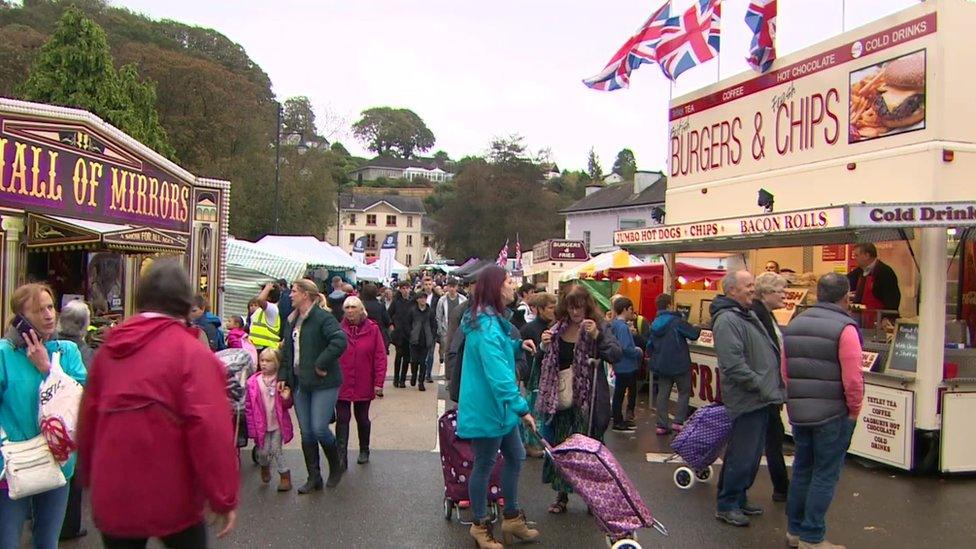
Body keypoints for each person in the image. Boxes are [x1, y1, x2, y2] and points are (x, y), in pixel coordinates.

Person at [77, 260, 237, 547]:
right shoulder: (191, 354)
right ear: (185, 303)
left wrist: (87, 474)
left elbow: (88, 417)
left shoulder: (108, 351)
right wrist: (222, 497)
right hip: (172, 491)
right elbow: (211, 428)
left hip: (113, 489)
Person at [457, 266, 540, 548]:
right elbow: (499, 375)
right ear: (495, 287)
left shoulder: (492, 321)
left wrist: (517, 346)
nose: (512, 284)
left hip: (498, 409)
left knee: (516, 456)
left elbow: (500, 352)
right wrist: (522, 408)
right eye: (507, 281)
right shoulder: (485, 326)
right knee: (484, 465)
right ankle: (479, 525)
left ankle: (512, 517)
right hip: (487, 408)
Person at [0, 284, 88, 549]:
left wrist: (48, 369)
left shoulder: (67, 352)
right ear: (21, 318)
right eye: (39, 310)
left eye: (51, 307)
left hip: (57, 460)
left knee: (47, 541)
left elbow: (80, 400)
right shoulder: (4, 354)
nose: (49, 315)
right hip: (13, 464)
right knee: (8, 541)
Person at [783, 273, 863, 549]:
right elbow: (853, 378)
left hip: (800, 411)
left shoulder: (794, 323)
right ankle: (812, 536)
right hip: (833, 412)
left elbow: (786, 371)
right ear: (846, 295)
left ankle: (794, 530)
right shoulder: (846, 328)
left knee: (803, 469)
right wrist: (854, 409)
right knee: (825, 473)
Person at [536, 284, 622, 514]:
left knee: (589, 451)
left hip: (588, 401)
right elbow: (544, 361)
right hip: (563, 400)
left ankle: (593, 498)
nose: (576, 313)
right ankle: (561, 495)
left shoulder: (599, 326)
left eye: (580, 307)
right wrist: (544, 346)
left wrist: (597, 336)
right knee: (564, 449)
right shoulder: (558, 328)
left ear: (588, 306)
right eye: (572, 307)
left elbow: (615, 354)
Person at [710, 270, 785, 527]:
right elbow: (733, 364)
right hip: (748, 398)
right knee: (742, 454)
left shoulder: (746, 314)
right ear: (732, 290)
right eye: (748, 286)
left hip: (760, 397)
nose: (753, 289)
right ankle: (728, 503)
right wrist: (761, 385)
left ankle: (738, 497)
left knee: (751, 454)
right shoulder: (728, 320)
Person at [277, 279, 349, 492]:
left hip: (323, 382)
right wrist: (284, 376)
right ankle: (313, 477)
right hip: (300, 383)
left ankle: (336, 466)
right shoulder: (292, 320)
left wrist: (321, 362)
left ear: (306, 295)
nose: (290, 295)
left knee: (319, 428)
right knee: (307, 432)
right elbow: (287, 351)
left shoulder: (322, 318)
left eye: (294, 291)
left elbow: (339, 341)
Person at [55, 300, 94, 542]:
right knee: (71, 478)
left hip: (49, 419)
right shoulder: (83, 352)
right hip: (72, 421)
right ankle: (69, 526)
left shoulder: (49, 343)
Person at [752, 272, 791, 502]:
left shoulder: (766, 314)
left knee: (768, 437)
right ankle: (781, 486)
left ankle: (782, 486)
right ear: (766, 293)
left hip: (769, 386)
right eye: (780, 291)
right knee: (769, 438)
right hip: (765, 388)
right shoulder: (759, 315)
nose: (784, 296)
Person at [337, 296, 387, 467]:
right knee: (342, 418)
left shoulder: (373, 329)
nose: (350, 310)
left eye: (353, 307)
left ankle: (364, 449)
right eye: (347, 307)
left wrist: (379, 382)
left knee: (362, 417)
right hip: (342, 382)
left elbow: (380, 356)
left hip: (364, 381)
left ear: (361, 309)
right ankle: (341, 455)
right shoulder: (338, 329)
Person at [648, 293, 701, 435]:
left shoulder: (653, 324)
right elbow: (693, 334)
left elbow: (649, 345)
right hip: (680, 363)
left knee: (662, 394)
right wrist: (697, 327)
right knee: (684, 392)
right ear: (669, 305)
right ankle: (678, 422)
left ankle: (661, 425)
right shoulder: (676, 321)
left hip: (662, 365)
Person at [245, 348, 294, 492]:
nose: (264, 364)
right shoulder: (253, 383)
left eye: (269, 361)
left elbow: (287, 405)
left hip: (277, 423)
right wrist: (252, 428)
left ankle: (284, 476)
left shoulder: (280, 382)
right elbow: (248, 407)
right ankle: (264, 465)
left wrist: (286, 399)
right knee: (263, 452)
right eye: (262, 360)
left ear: (277, 363)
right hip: (261, 424)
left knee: (276, 449)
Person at [607, 297, 643, 433]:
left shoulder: (614, 324)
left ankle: (619, 418)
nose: (632, 313)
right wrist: (637, 351)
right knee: (623, 392)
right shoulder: (622, 327)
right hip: (626, 365)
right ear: (625, 309)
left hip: (619, 364)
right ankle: (619, 421)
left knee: (620, 392)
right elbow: (625, 347)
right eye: (631, 309)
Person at [847, 243, 901, 324]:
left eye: (856, 255)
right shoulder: (859, 271)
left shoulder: (885, 272)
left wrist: (887, 317)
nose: (855, 258)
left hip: (877, 320)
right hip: (860, 318)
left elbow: (892, 299)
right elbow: (845, 282)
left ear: (867, 255)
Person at [436, 277, 467, 369]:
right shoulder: (442, 300)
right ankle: (448, 371)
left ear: (457, 287)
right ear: (447, 287)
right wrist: (441, 330)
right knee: (447, 351)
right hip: (446, 329)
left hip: (459, 329)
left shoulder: (463, 299)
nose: (452, 289)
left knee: (458, 350)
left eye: (454, 287)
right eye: (450, 286)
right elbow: (439, 316)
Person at [389, 281, 414, 388]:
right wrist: (391, 325)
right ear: (400, 290)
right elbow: (388, 314)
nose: (405, 290)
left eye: (407, 288)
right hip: (399, 333)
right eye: (403, 288)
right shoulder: (396, 302)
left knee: (407, 357)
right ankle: (396, 378)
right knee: (399, 356)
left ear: (410, 289)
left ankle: (403, 379)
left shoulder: (413, 302)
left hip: (409, 333)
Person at [408, 291, 434, 391]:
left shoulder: (430, 311)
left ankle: (421, 382)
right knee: (414, 361)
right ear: (417, 300)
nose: (423, 300)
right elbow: (408, 323)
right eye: (421, 298)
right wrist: (410, 333)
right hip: (415, 340)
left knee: (423, 362)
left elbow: (433, 324)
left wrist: (432, 335)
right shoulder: (413, 311)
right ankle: (414, 374)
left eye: (424, 298)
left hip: (426, 340)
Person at [249, 283, 282, 352]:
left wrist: (268, 288)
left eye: (263, 292)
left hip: (267, 349)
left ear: (268, 296)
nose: (260, 294)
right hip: (256, 348)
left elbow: (260, 300)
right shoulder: (260, 310)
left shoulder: (273, 308)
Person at [360, 283, 392, 352]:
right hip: (379, 333)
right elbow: (386, 320)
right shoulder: (380, 305)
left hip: (363, 333)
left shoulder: (360, 305)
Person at [421, 276, 440, 383]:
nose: (428, 287)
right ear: (423, 285)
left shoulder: (437, 298)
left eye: (430, 284)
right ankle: (422, 372)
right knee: (422, 353)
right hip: (420, 329)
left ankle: (428, 374)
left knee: (431, 353)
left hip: (432, 328)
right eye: (426, 284)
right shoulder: (418, 297)